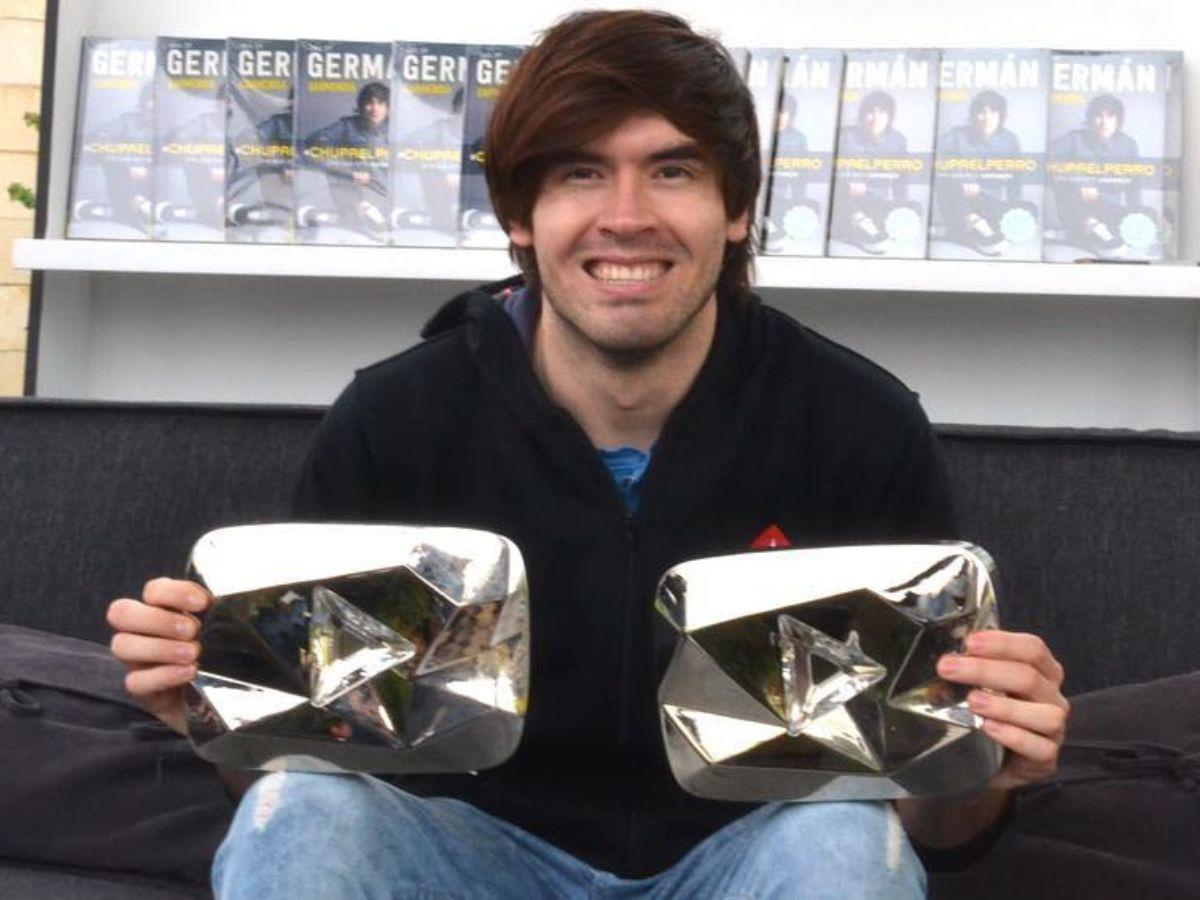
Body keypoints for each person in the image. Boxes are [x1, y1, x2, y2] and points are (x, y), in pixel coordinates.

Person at [107, 11, 1070, 898]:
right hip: (463, 858)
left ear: (736, 209)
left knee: (844, 840)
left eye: (673, 171)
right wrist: (217, 713)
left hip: (750, 862)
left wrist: (986, 766)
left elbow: (931, 825)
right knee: (305, 813)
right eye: (579, 173)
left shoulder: (859, 426)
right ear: (519, 216)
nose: (627, 215)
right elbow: (300, 771)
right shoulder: (392, 422)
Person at [1049, 93, 1144, 257]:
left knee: (1145, 218)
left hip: (1108, 206)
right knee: (1063, 184)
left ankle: (1077, 235)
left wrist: (1134, 216)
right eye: (1099, 116)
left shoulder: (1129, 144)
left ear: (1118, 119)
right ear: (1090, 119)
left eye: (1110, 116)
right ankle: (1088, 226)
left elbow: (1134, 185)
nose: (1104, 122)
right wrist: (1080, 181)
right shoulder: (1074, 139)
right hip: (1077, 205)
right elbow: (1047, 161)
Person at [935, 90, 1027, 256]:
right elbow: (934, 158)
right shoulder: (957, 135)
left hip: (988, 202)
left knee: (1028, 209)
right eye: (982, 112)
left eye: (993, 112)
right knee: (944, 179)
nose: (987, 118)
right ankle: (974, 224)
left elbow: (1016, 179)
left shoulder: (1010, 140)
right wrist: (963, 177)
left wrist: (1014, 210)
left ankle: (971, 232)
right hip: (959, 200)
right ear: (973, 115)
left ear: (1001, 115)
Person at [298, 81, 391, 236]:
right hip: (353, 189)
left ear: (388, 108)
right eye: (370, 103)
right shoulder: (348, 126)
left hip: (383, 191)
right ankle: (358, 211)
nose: (375, 109)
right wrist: (349, 170)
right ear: (361, 106)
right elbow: (315, 141)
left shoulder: (394, 129)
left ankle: (366, 216)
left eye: (380, 103)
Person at [830, 90, 916, 254]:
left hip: (875, 199)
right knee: (842, 203)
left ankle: (857, 228)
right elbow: (830, 172)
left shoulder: (898, 140)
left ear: (890, 117)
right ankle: (860, 224)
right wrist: (847, 185)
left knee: (913, 208)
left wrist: (901, 206)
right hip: (847, 197)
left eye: (882, 112)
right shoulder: (845, 136)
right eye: (870, 112)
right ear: (862, 115)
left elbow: (902, 178)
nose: (876, 118)